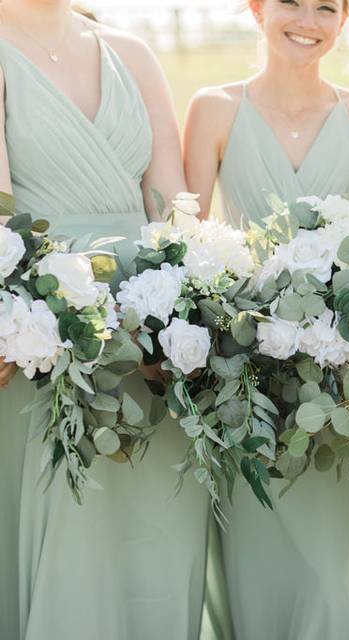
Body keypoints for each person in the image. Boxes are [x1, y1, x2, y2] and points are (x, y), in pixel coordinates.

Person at [184, 1, 349, 638]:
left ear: (344, 20)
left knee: (327, 572)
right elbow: (186, 243)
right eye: (290, 1)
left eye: (326, 6)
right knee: (255, 564)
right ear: (257, 8)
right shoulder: (214, 109)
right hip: (240, 378)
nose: (306, 19)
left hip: (333, 382)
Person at [0, 1, 209, 638]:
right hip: (46, 328)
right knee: (68, 524)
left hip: (154, 334)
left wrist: (181, 314)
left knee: (157, 526)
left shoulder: (133, 53)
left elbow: (175, 208)